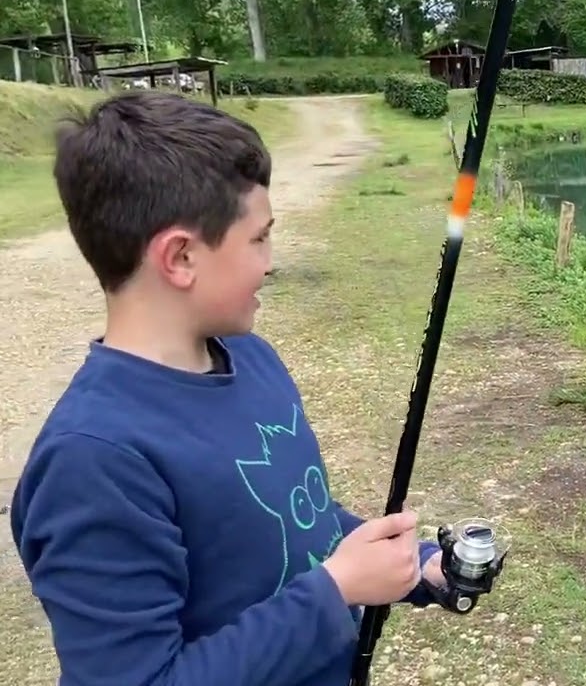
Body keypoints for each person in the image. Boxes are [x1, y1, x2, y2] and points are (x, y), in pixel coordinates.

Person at [8, 90, 448, 685]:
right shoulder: (94, 461)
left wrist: (419, 567)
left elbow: (302, 525)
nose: (270, 261)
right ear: (181, 257)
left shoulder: (250, 356)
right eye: (260, 238)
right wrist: (336, 589)